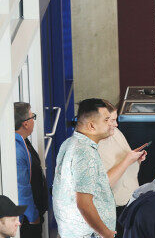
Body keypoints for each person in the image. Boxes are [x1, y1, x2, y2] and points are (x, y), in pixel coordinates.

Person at [52, 99, 118, 238]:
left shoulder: (70, 142)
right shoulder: (85, 153)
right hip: (89, 234)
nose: (112, 124)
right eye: (106, 120)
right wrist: (105, 233)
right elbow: (84, 203)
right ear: (91, 126)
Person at [97, 104, 144, 219]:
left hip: (131, 201)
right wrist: (128, 160)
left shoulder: (115, 133)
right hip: (114, 210)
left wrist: (136, 160)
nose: (116, 124)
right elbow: (103, 186)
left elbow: (127, 170)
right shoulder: (91, 147)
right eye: (112, 120)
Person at [13, 103, 47, 238]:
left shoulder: (23, 141)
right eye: (33, 116)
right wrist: (33, 217)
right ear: (25, 123)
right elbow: (22, 188)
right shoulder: (17, 149)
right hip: (27, 220)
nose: (34, 120)